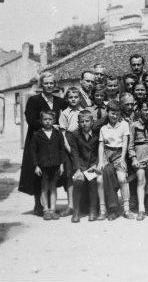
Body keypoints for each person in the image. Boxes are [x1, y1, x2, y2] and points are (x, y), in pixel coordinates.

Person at [20, 72, 68, 216]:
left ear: (55, 84)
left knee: (52, 172)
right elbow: (31, 120)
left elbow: (66, 116)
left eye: (51, 83)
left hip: (54, 141)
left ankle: (50, 206)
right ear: (42, 85)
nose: (49, 85)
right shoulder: (34, 100)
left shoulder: (60, 101)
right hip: (37, 139)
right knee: (38, 171)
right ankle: (38, 205)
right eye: (46, 83)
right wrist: (50, 126)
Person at [97, 100, 134, 219]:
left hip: (119, 153)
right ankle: (103, 210)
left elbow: (125, 142)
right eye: (112, 113)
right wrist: (101, 161)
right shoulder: (103, 128)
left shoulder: (124, 125)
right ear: (107, 112)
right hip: (107, 154)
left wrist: (123, 159)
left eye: (117, 114)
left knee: (122, 179)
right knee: (100, 180)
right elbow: (101, 145)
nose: (114, 116)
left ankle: (126, 209)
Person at [68, 110, 102, 222]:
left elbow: (99, 151)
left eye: (87, 121)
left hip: (92, 165)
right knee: (78, 181)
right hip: (81, 165)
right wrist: (78, 169)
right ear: (78, 122)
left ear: (92, 122)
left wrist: (96, 164)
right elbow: (75, 153)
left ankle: (93, 210)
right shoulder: (75, 134)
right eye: (82, 121)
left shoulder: (97, 133)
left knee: (92, 181)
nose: (84, 123)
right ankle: (76, 212)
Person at [31, 110, 65, 220]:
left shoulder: (58, 134)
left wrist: (61, 164)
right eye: (45, 119)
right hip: (43, 166)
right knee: (44, 188)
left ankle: (53, 210)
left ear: (54, 120)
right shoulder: (37, 135)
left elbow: (61, 150)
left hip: (55, 165)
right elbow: (33, 152)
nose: (47, 121)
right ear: (41, 121)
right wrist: (36, 166)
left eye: (50, 119)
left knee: (53, 188)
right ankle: (45, 210)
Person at [58, 87, 84, 217]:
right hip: (68, 146)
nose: (73, 99)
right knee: (69, 177)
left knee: (81, 173)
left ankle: (83, 204)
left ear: (80, 98)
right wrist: (70, 150)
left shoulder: (83, 111)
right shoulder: (64, 113)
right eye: (71, 97)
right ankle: (71, 205)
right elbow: (62, 134)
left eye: (76, 97)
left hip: (81, 145)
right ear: (67, 99)